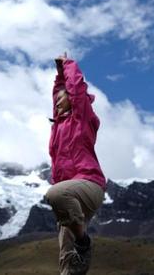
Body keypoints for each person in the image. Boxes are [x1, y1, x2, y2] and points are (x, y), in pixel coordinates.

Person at [44, 52, 107, 275]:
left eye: (63, 96)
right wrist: (59, 75)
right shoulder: (58, 127)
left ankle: (84, 241)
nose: (58, 100)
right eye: (57, 98)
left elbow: (77, 89)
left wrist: (67, 65)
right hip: (72, 192)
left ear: (72, 98)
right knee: (67, 263)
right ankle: (78, 254)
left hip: (88, 185)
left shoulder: (82, 117)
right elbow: (58, 93)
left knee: (55, 194)